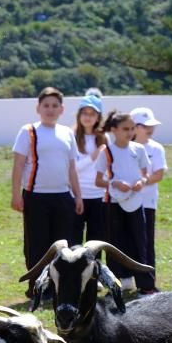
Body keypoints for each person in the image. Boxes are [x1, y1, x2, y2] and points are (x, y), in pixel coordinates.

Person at [10, 88, 83, 284]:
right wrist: (16, 195)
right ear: (38, 108)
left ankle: (59, 285)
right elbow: (18, 165)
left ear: (62, 109)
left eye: (54, 106)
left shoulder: (67, 132)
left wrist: (77, 195)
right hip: (36, 197)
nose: (50, 110)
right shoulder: (29, 131)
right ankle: (37, 286)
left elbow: (72, 168)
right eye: (46, 105)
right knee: (37, 244)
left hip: (62, 197)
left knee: (62, 244)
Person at [97, 110, 153, 291]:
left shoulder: (139, 149)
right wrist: (114, 183)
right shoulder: (106, 152)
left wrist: (141, 182)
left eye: (132, 128)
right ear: (114, 130)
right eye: (125, 129)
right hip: (113, 204)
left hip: (136, 203)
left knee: (139, 243)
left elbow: (146, 174)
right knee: (114, 245)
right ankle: (117, 285)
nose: (130, 133)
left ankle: (145, 286)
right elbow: (98, 180)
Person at [131, 108, 168, 281]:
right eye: (145, 126)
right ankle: (125, 279)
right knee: (126, 239)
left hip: (147, 202)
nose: (150, 129)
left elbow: (159, 174)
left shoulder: (156, 148)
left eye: (152, 125)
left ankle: (147, 280)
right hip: (125, 201)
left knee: (146, 242)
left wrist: (142, 182)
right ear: (134, 126)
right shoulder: (124, 146)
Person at [72, 91, 108, 245]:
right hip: (77, 195)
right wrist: (93, 156)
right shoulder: (71, 135)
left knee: (96, 241)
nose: (88, 117)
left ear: (98, 117)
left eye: (92, 114)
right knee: (74, 240)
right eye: (84, 113)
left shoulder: (104, 137)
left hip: (98, 196)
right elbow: (73, 168)